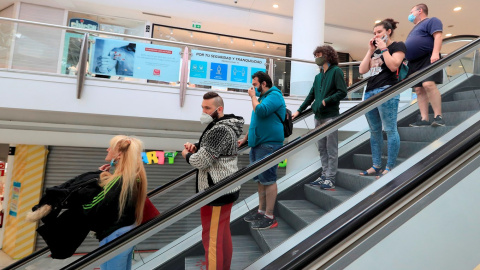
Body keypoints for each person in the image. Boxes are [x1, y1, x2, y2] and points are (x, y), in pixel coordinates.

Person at [29, 135, 148, 270]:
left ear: (119, 154)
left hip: (115, 235)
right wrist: (100, 175)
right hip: (123, 231)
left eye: (111, 147)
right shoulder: (130, 178)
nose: (107, 149)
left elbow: (93, 207)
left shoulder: (120, 180)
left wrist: (79, 203)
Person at [182, 91, 244, 270]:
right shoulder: (224, 126)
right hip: (225, 188)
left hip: (215, 192)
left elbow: (201, 161)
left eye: (207, 108)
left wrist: (187, 154)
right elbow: (214, 151)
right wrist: (197, 147)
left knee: (212, 240)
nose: (203, 111)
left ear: (220, 109)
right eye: (202, 107)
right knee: (222, 235)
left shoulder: (220, 129)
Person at [291, 45, 347, 190]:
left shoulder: (336, 72)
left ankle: (330, 178)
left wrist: (325, 101)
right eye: (315, 55)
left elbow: (342, 92)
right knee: (322, 148)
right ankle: (324, 175)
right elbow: (311, 95)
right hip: (318, 117)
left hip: (331, 116)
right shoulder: (318, 76)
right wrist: (299, 110)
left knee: (331, 149)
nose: (317, 58)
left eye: (319, 55)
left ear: (327, 55)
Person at [358, 19, 407, 178]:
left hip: (387, 90)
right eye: (374, 33)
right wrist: (370, 50)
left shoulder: (397, 46)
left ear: (388, 31)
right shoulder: (375, 50)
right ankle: (376, 165)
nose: (376, 35)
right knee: (374, 131)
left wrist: (384, 49)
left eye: (379, 32)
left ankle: (390, 166)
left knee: (390, 129)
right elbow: (362, 70)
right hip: (370, 91)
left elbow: (394, 66)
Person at [238, 71, 285, 230]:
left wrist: (253, 97)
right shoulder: (263, 98)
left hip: (269, 144)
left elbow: (261, 111)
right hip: (258, 144)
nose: (253, 88)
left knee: (269, 179)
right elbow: (256, 121)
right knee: (260, 180)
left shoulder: (275, 95)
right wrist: (246, 138)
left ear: (264, 84)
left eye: (256, 84)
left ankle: (270, 216)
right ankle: (261, 211)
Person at [406, 3, 445, 127]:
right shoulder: (414, 29)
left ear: (420, 11)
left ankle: (438, 116)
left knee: (428, 84)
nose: (410, 15)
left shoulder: (432, 21)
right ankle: (424, 119)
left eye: (412, 12)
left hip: (427, 57)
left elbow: (438, 36)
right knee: (418, 89)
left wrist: (435, 53)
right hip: (413, 63)